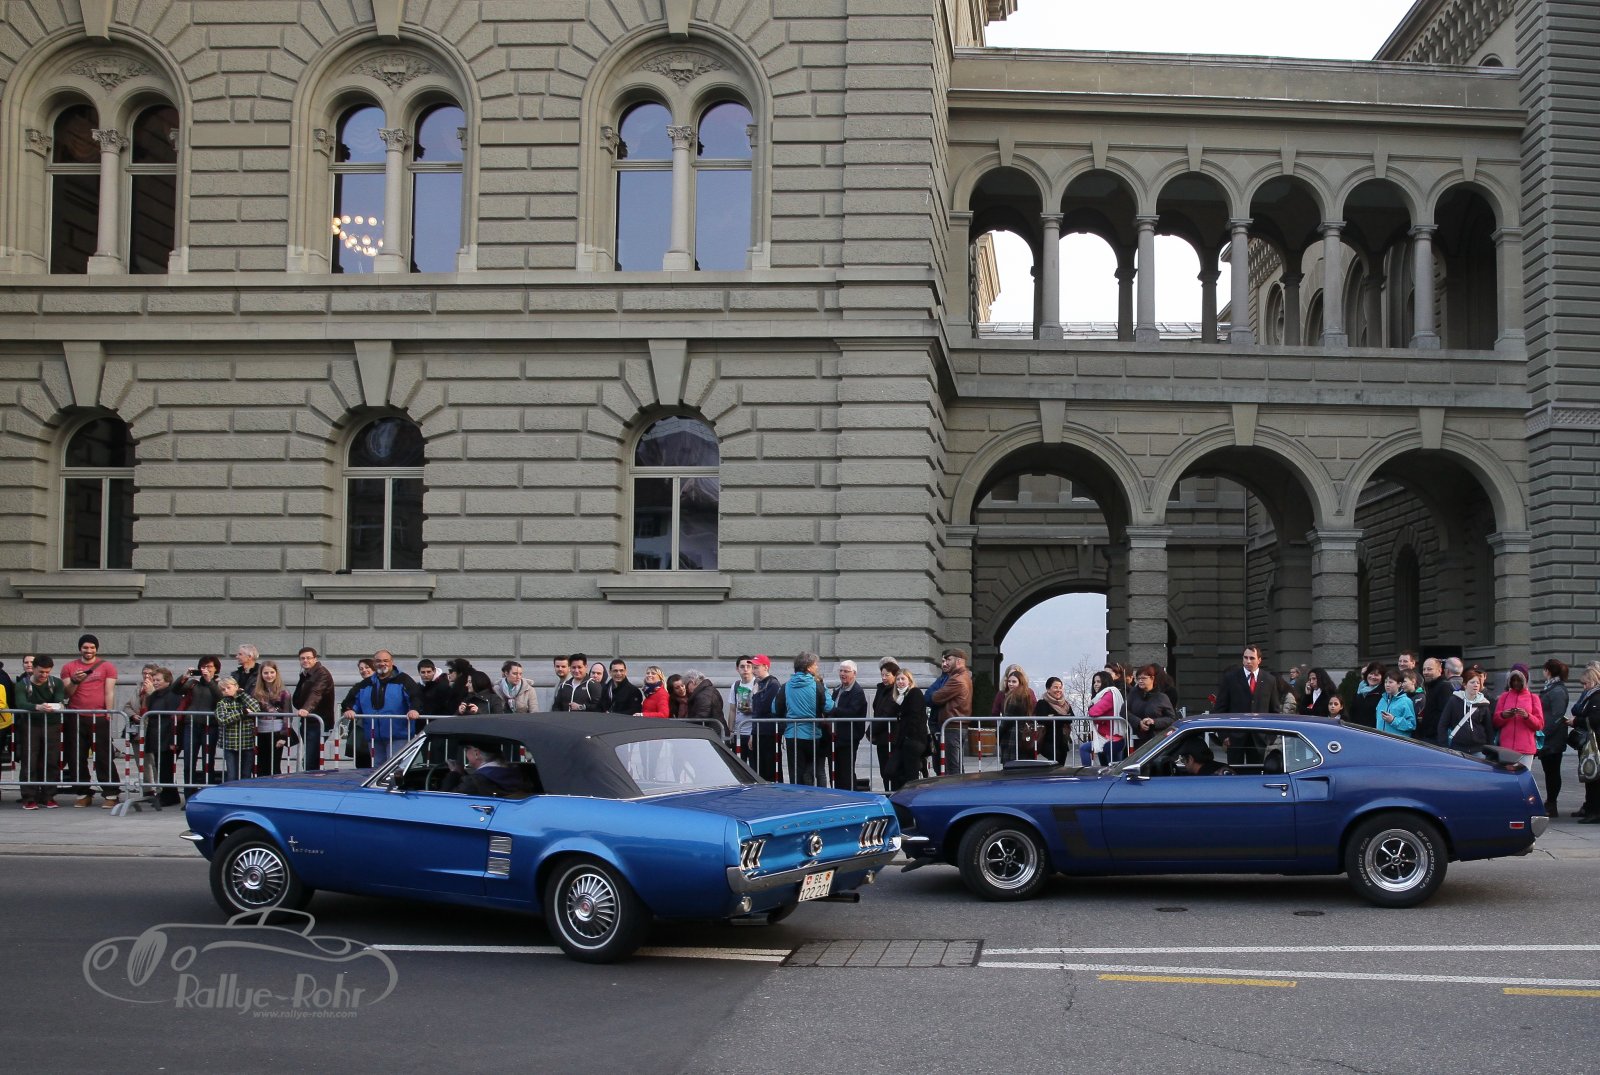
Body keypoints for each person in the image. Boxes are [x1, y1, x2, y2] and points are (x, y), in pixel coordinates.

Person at [61, 633, 119, 808]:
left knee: (103, 756)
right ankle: (83, 793)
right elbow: (67, 694)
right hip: (75, 716)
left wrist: (108, 712)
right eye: (85, 647)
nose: (89, 650)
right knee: (76, 756)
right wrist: (74, 681)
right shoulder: (69, 667)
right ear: (80, 649)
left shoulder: (107, 666)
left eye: (92, 647)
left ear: (96, 649)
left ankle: (111, 793)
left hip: (99, 716)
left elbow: (109, 691)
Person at [346, 651, 419, 766]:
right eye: (378, 661)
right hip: (374, 736)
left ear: (391, 662)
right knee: (377, 770)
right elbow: (352, 700)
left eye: (386, 661)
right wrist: (350, 709)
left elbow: (416, 697)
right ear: (374, 664)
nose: (382, 663)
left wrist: (414, 709)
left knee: (396, 767)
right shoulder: (366, 683)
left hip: (398, 735)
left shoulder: (404, 680)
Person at [14, 656, 67, 809]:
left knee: (51, 760)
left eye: (47, 672)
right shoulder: (22, 684)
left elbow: (59, 699)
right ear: (34, 668)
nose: (44, 675)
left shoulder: (56, 683)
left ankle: (48, 796)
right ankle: (29, 797)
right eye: (41, 672)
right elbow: (21, 703)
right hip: (30, 725)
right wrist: (38, 707)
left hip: (52, 725)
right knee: (29, 761)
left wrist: (54, 706)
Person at [776, 652, 832, 786]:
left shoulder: (786, 686)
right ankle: (810, 794)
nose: (817, 667)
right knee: (811, 771)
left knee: (795, 773)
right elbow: (829, 706)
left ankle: (797, 795)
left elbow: (775, 708)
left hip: (792, 734)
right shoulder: (817, 685)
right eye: (815, 665)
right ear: (808, 667)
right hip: (812, 734)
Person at [177, 656, 223, 790]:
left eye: (209, 667)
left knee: (208, 762)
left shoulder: (219, 684)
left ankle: (207, 792)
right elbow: (175, 690)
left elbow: (220, 698)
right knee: (188, 761)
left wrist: (210, 681)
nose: (206, 670)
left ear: (216, 669)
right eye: (203, 667)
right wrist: (184, 677)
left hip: (210, 726)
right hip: (191, 725)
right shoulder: (193, 683)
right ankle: (189, 793)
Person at [143, 668, 186, 805]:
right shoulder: (154, 695)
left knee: (166, 768)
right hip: (156, 735)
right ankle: (168, 794)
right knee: (161, 767)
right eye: (154, 680)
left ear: (167, 681)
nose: (155, 683)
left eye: (158, 680)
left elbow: (174, 718)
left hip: (167, 736)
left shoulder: (173, 695)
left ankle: (169, 796)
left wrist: (173, 739)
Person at [929, 648, 973, 774]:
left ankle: (957, 786)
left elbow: (935, 697)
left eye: (949, 659)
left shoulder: (957, 679)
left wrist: (935, 693)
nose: (946, 663)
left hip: (953, 726)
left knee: (953, 766)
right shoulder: (962, 676)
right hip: (956, 725)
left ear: (958, 661)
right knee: (955, 764)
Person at [884, 668, 928, 791]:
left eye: (903, 679)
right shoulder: (899, 697)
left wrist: (909, 736)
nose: (900, 682)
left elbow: (914, 716)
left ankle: (911, 796)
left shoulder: (915, 693)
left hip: (913, 740)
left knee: (910, 776)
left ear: (909, 680)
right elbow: (891, 712)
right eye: (898, 679)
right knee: (891, 771)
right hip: (903, 742)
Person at [1536, 659, 1571, 815]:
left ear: (1548, 671)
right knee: (1549, 771)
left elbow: (1557, 716)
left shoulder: (1557, 691)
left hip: (1553, 739)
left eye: (1544, 669)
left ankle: (1551, 803)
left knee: (1552, 772)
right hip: (1549, 737)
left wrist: (1542, 733)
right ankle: (1550, 803)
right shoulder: (1551, 688)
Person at [292, 647, 336, 770]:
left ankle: (313, 780)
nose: (305, 660)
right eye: (302, 658)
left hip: (319, 722)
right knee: (311, 758)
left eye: (308, 658)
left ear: (315, 659)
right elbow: (299, 696)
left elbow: (316, 693)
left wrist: (306, 709)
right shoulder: (305, 674)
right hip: (308, 721)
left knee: (311, 761)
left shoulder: (322, 673)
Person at [442, 740, 532, 798]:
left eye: (467, 750)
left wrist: (454, 773)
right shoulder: (519, 773)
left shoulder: (475, 781)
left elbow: (446, 799)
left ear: (476, 754)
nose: (466, 754)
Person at [1492, 665, 1543, 766]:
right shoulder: (1504, 697)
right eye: (1513, 680)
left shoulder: (1533, 698)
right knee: (1506, 775)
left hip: (1526, 749)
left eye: (1519, 680)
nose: (1516, 683)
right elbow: (1495, 722)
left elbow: (1539, 724)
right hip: (1506, 748)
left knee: (1523, 775)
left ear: (1525, 680)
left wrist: (1527, 716)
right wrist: (1503, 715)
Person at [829, 660, 869, 789]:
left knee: (846, 770)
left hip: (849, 737)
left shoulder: (857, 691)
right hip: (836, 736)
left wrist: (833, 710)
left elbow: (852, 712)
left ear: (854, 673)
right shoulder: (838, 689)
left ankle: (849, 795)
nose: (842, 674)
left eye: (846, 671)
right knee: (836, 770)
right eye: (841, 671)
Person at [215, 676, 262, 782]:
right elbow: (222, 719)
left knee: (246, 774)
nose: (226, 691)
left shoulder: (245, 699)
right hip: (230, 744)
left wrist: (242, 694)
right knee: (232, 774)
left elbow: (256, 708)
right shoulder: (222, 703)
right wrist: (242, 712)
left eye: (228, 687)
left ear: (236, 686)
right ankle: (231, 791)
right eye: (223, 689)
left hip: (246, 742)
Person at [1438, 666, 1493, 755]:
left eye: (1478, 683)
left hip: (1478, 749)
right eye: (1472, 682)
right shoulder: (1454, 700)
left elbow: (1489, 729)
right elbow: (1443, 724)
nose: (1476, 685)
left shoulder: (1484, 704)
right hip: (1457, 747)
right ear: (1465, 685)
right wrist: (1444, 746)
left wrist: (1490, 751)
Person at [251, 660, 293, 776]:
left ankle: (275, 785)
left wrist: (283, 737)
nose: (269, 675)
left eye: (272, 672)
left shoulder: (284, 692)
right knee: (260, 765)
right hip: (260, 732)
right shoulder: (255, 692)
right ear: (261, 674)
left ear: (276, 673)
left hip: (276, 732)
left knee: (274, 765)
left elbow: (288, 716)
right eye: (266, 673)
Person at [1571, 663, 1600, 823]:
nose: (1584, 687)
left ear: (1593, 681)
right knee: (1591, 777)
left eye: (1585, 683)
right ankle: (1591, 809)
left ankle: (1594, 812)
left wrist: (1576, 721)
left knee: (1593, 777)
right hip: (1592, 741)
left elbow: (1594, 719)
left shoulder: (1596, 696)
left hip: (1596, 742)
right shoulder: (1592, 695)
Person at [748, 656, 782, 781]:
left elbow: (764, 707)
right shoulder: (758, 683)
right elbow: (755, 712)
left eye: (756, 667)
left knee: (770, 766)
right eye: (753, 668)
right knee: (759, 767)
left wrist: (756, 694)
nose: (753, 671)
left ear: (766, 667)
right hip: (758, 731)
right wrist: (752, 734)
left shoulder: (773, 684)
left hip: (769, 732)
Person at [1127, 665, 1176, 749]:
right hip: (1136, 739)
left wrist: (1154, 722)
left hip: (1157, 740)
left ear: (1152, 678)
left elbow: (1171, 718)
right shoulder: (1133, 694)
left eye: (1144, 678)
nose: (1140, 681)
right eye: (1138, 678)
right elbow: (1124, 711)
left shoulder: (1161, 697)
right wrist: (1139, 722)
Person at [996, 667, 1037, 762]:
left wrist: (998, 734)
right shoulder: (1026, 694)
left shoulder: (1015, 697)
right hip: (1023, 734)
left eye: (1014, 682)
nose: (1010, 684)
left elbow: (1007, 719)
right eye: (1009, 681)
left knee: (1011, 765)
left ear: (1020, 682)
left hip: (1012, 735)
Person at [1087, 668, 1127, 764]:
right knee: (1106, 765)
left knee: (1084, 749)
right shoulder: (1103, 695)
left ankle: (1086, 771)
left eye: (1099, 682)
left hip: (1111, 738)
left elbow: (1093, 712)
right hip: (1105, 736)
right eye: (1094, 682)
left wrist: (1092, 709)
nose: (1095, 684)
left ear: (1105, 682)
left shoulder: (1109, 694)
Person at [868, 659, 900, 780]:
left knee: (891, 771)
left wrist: (871, 730)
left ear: (895, 675)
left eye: (887, 675)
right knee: (884, 770)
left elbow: (887, 713)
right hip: (881, 737)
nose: (884, 678)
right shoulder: (881, 689)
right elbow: (877, 710)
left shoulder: (895, 691)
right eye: (882, 675)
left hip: (892, 736)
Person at [1418, 658, 1454, 741]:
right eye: (1424, 669)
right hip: (1429, 737)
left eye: (1429, 669)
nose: (1425, 672)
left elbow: (1445, 715)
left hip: (1436, 739)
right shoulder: (1431, 686)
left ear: (1439, 670)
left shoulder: (1444, 687)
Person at [727, 657, 758, 754]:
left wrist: (750, 709)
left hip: (753, 732)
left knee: (753, 762)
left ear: (753, 668)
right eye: (742, 666)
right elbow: (732, 710)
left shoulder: (757, 684)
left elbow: (762, 709)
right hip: (738, 732)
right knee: (738, 761)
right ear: (737, 669)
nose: (745, 669)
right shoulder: (735, 685)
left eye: (748, 666)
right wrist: (730, 731)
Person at [683, 669, 727, 734]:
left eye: (687, 687)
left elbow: (702, 716)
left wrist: (687, 724)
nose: (687, 690)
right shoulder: (710, 690)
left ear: (692, 682)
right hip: (715, 731)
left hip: (711, 733)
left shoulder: (704, 695)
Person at [1376, 669, 1417, 738]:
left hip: (1397, 742)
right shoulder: (1382, 700)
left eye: (1390, 682)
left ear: (1399, 684)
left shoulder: (1406, 701)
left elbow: (1411, 725)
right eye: (1385, 682)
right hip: (1380, 740)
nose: (1387, 685)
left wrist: (1393, 720)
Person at [1350, 661, 1385, 729]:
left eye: (1376, 675)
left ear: (1382, 677)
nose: (1373, 677)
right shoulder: (1359, 691)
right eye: (1371, 673)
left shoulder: (1383, 694)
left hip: (1372, 732)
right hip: (1356, 730)